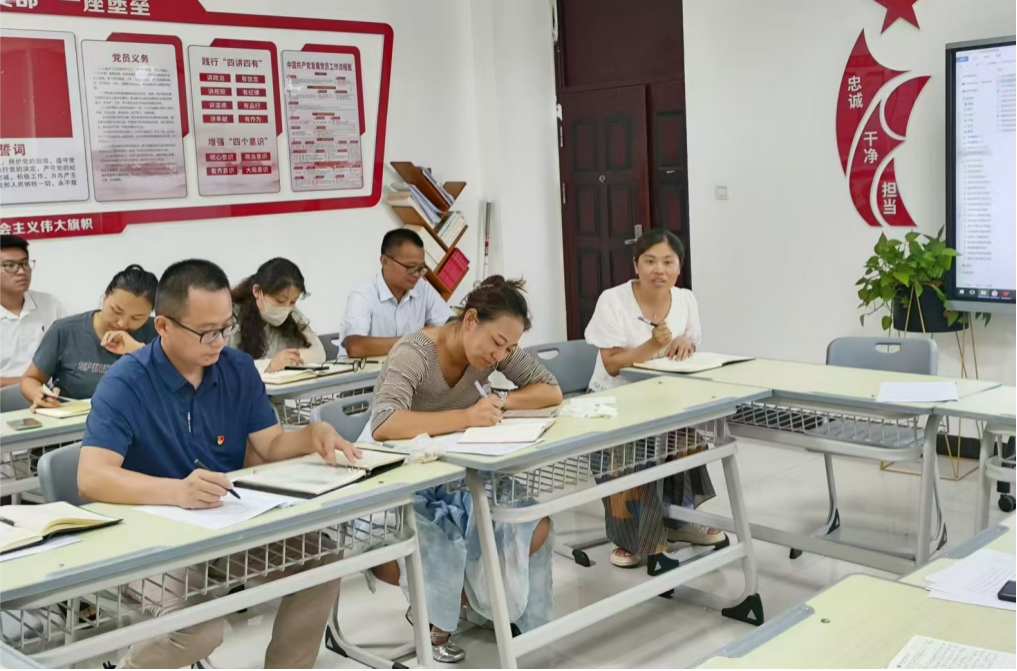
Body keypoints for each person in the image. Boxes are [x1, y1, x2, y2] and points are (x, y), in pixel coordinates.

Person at [77, 259, 362, 670]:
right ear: (163, 326)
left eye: (226, 327)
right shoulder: (126, 382)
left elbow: (269, 444)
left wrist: (310, 437)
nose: (219, 341)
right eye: (206, 331)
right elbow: (91, 477)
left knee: (322, 561)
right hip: (151, 539)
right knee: (199, 630)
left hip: (225, 524)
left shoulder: (237, 369)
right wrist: (177, 492)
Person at [368, 277, 562, 664]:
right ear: (471, 320)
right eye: (498, 343)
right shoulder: (415, 352)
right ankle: (437, 622)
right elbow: (384, 423)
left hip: (458, 469)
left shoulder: (491, 350)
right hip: (403, 476)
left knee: (529, 522)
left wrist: (501, 400)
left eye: (509, 348)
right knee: (444, 538)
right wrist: (467, 417)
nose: (500, 355)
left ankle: (497, 606)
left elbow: (550, 390)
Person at [584, 229, 726, 569]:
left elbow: (690, 341)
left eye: (667, 262)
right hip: (613, 402)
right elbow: (612, 364)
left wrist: (685, 344)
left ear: (679, 267)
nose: (658, 270)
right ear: (636, 265)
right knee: (631, 456)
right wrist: (652, 345)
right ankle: (631, 537)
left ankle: (677, 521)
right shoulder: (613, 300)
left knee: (688, 441)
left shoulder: (686, 299)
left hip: (662, 398)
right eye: (650, 261)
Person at [21, 265, 159, 411]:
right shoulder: (65, 330)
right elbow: (30, 379)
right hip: (74, 420)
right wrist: (38, 394)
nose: (122, 323)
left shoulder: (158, 333)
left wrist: (139, 350)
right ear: (105, 296)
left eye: (137, 318)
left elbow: (172, 383)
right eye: (116, 311)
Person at [341, 229, 453, 358]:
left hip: (407, 369)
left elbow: (451, 327)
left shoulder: (422, 288)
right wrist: (416, 341)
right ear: (385, 261)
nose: (417, 274)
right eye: (410, 267)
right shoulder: (362, 295)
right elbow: (355, 346)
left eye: (421, 268)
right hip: (366, 371)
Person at [228, 258, 326, 373]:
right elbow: (222, 366)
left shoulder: (292, 314)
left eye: (293, 301)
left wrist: (289, 360)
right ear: (257, 291)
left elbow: (318, 354)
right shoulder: (231, 316)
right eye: (280, 300)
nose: (286, 308)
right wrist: (269, 365)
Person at [0, 235, 65, 388]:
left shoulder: (49, 303)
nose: (21, 271)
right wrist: (30, 383)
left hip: (51, 392)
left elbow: (70, 355)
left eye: (25, 263)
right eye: (10, 265)